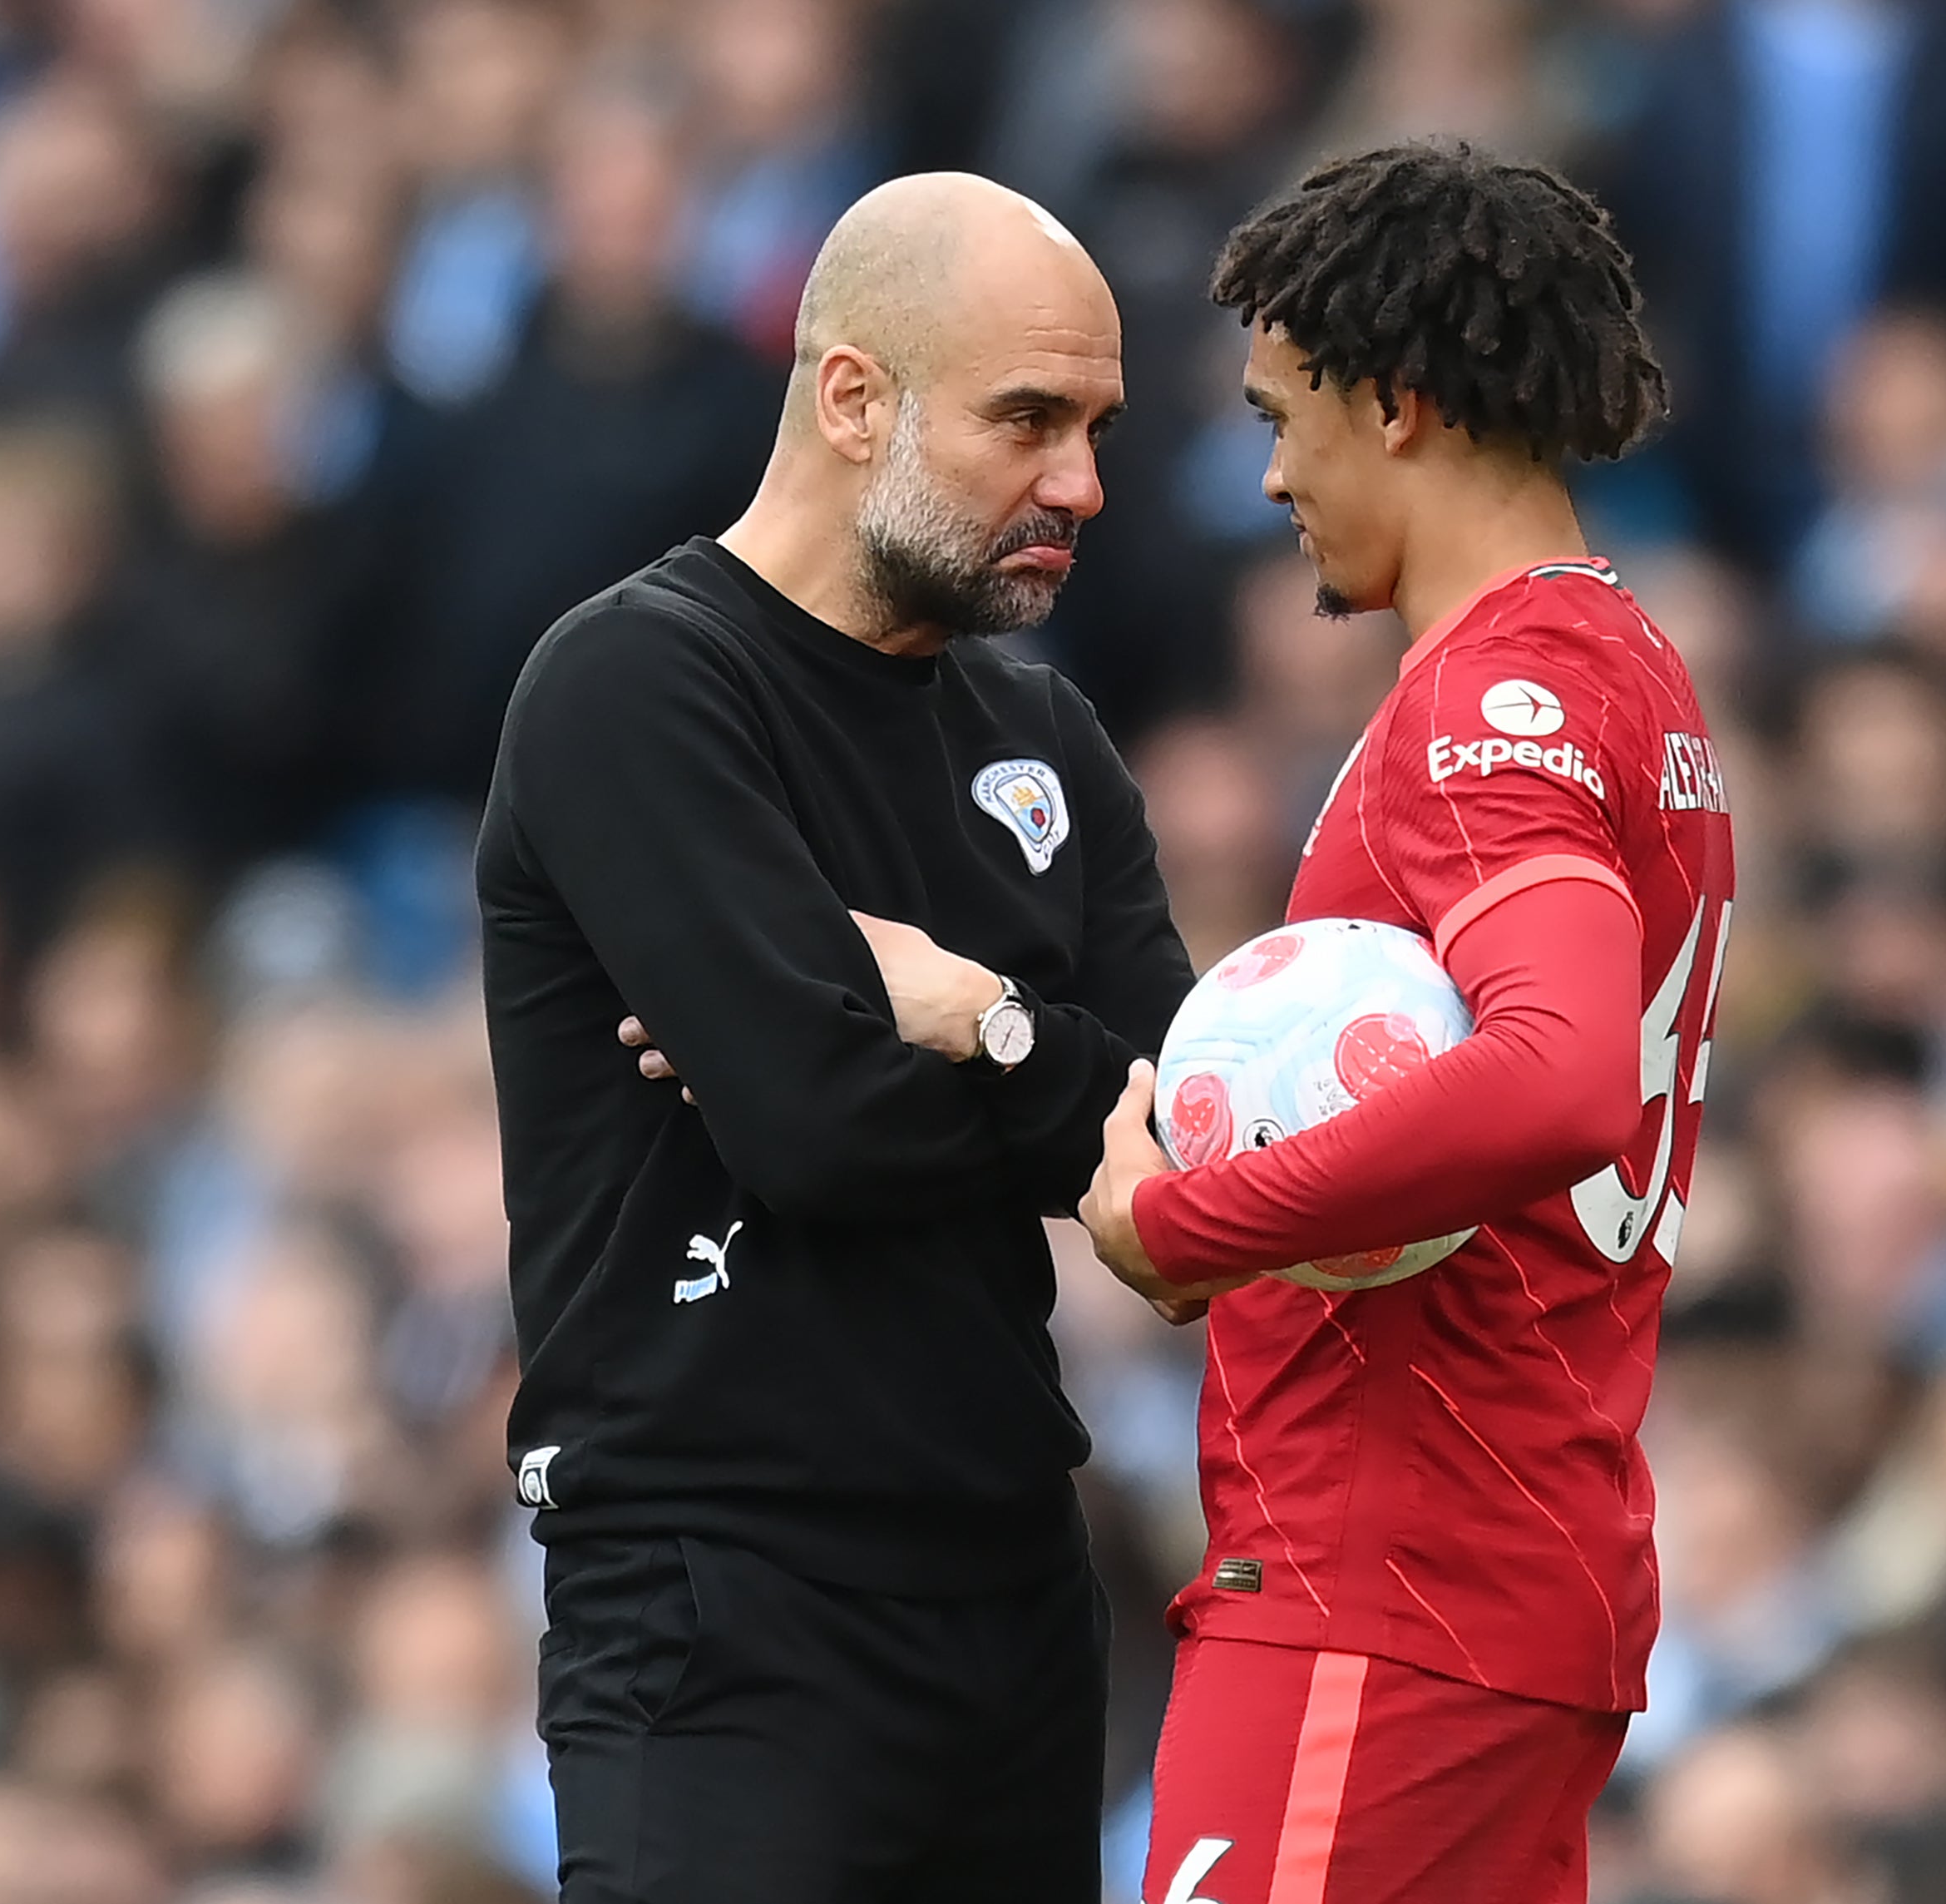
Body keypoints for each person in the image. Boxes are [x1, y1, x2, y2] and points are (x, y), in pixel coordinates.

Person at [476, 173, 1194, 1902]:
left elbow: (1194, 1139)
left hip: (1017, 1593)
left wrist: (979, 1018)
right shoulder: (639, 685)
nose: (1079, 482)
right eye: (1029, 417)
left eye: (1094, 425)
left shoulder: (1041, 726)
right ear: (851, 394)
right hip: (726, 1594)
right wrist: (1038, 1083)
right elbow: (815, 1128)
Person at [1076, 143, 1732, 1903]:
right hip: (1491, 1566)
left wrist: (1183, 1222)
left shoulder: (1485, 703)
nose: (1271, 471)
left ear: (1402, 405)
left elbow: (1553, 1070)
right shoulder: (1621, 670)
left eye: (1285, 415)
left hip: (1393, 1580)